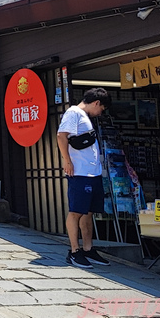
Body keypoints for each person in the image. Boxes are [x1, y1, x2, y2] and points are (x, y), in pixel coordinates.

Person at [56, 87, 112, 269]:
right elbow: (61, 136)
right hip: (79, 172)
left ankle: (88, 249)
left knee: (88, 211)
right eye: (101, 108)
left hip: (92, 172)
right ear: (96, 103)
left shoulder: (84, 117)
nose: (100, 113)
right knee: (76, 211)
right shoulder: (74, 113)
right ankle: (74, 251)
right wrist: (67, 161)